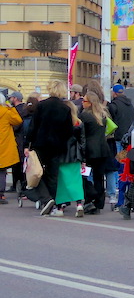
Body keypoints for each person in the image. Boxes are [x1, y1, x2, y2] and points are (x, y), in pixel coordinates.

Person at [25, 81, 74, 216]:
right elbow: (68, 131)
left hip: (40, 144)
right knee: (53, 176)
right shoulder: (65, 109)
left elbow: (33, 126)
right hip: (57, 146)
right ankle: (53, 203)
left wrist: (27, 144)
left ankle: (46, 199)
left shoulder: (41, 105)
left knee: (36, 172)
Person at [53, 101, 86, 217]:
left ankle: (60, 208)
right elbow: (83, 142)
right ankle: (79, 204)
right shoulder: (78, 123)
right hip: (75, 155)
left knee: (61, 183)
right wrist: (83, 159)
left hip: (61, 155)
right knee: (76, 181)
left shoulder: (58, 123)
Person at [79, 91, 111, 213]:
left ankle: (90, 198)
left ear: (90, 103)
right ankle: (98, 203)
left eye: (84, 101)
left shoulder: (84, 116)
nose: (82, 103)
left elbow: (81, 134)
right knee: (99, 178)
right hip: (102, 149)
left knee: (83, 176)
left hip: (89, 151)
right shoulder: (102, 115)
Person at [0, 92, 24, 204]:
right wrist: (11, 108)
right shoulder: (6, 112)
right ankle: (0, 194)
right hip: (3, 145)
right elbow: (18, 120)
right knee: (2, 170)